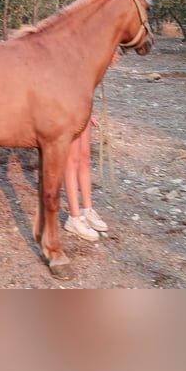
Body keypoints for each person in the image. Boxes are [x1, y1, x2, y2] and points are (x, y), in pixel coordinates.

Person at [63, 50, 121, 241]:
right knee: (71, 161)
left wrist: (90, 113)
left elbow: (86, 89)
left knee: (85, 159)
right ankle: (73, 217)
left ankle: (87, 209)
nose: (118, 57)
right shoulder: (81, 54)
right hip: (69, 110)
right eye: (115, 52)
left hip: (83, 110)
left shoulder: (95, 64)